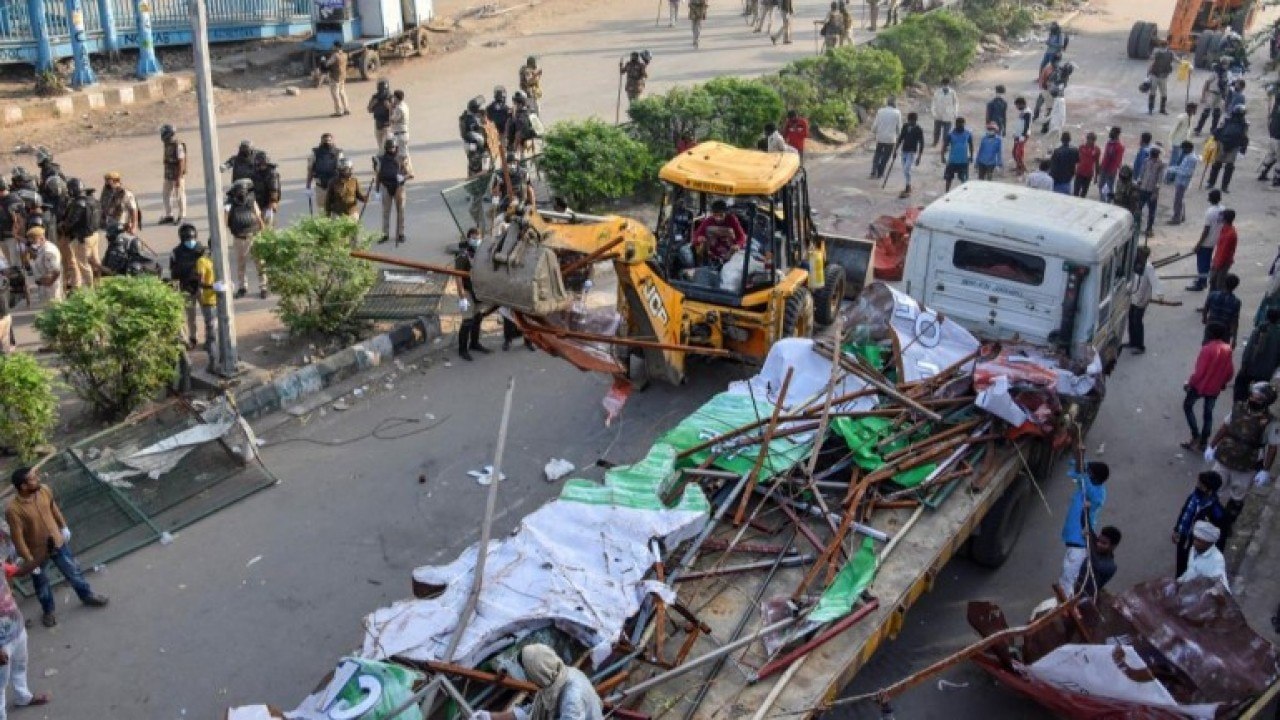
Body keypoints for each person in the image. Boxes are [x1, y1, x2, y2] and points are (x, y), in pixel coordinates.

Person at [6, 467, 108, 627]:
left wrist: (63, 526)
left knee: (73, 571)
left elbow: (54, 509)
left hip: (58, 543)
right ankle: (48, 611)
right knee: (42, 583)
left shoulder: (44, 490)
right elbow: (18, 538)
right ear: (23, 486)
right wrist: (30, 561)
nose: (38, 479)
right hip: (37, 554)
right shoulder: (14, 510)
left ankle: (87, 595)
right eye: (33, 478)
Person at [472, 644, 604, 720]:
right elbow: (532, 711)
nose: (528, 678)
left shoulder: (572, 695)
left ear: (536, 672)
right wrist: (490, 717)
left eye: (527, 672)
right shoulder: (554, 678)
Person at [0, 525, 51, 714]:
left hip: (16, 627)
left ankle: (23, 697)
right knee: (0, 685)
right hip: (1, 641)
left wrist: (43, 553)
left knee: (20, 666)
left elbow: (19, 571)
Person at [1205, 381, 1279, 510]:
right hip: (1225, 457)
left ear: (1266, 402)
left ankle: (1227, 519)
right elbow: (1225, 427)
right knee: (1214, 488)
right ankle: (1207, 515)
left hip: (1247, 465)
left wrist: (1265, 470)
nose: (1253, 399)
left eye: (1258, 398)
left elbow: (1272, 448)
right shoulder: (1238, 408)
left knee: (1237, 498)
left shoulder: (1270, 422)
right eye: (1253, 396)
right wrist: (1211, 446)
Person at [1058, 458, 1109, 596]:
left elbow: (1084, 479)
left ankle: (1066, 602)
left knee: (1068, 578)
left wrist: (1083, 472)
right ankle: (1064, 599)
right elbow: (1079, 466)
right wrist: (1080, 459)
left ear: (1095, 478)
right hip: (1074, 541)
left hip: (1079, 544)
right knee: (1066, 576)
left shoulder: (1096, 494)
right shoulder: (1086, 486)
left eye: (1089, 473)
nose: (1086, 474)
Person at [1182, 322, 1233, 449]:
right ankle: (1203, 442)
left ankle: (1195, 435)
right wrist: (1223, 383)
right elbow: (1230, 371)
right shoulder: (1227, 349)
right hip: (1214, 388)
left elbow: (1199, 372)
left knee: (1187, 406)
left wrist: (1189, 383)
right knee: (1208, 413)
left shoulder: (1207, 349)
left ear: (1210, 334)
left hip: (1200, 386)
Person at [171, 224, 218, 353]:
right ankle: (193, 338)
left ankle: (210, 339)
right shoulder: (176, 252)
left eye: (191, 238)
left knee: (209, 316)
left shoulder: (202, 250)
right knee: (190, 317)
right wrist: (175, 288)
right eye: (187, 239)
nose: (190, 241)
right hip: (186, 289)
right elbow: (174, 272)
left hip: (203, 289)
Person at [1172, 473, 1226, 575]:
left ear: (1209, 491)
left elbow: (1221, 536)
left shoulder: (1217, 512)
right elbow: (1184, 513)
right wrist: (1177, 530)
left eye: (1201, 485)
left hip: (1197, 546)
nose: (1197, 486)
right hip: (1183, 538)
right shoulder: (1193, 497)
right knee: (1180, 565)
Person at [224, 179, 267, 299]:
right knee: (241, 264)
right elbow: (225, 221)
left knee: (260, 263)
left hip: (254, 236)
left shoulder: (251, 201)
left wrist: (264, 232)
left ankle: (263, 286)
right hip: (239, 238)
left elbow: (258, 217)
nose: (241, 193)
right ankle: (242, 287)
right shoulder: (229, 204)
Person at [454, 229, 491, 361]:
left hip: (479, 291)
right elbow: (458, 276)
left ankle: (474, 343)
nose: (476, 240)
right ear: (469, 238)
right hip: (468, 291)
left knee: (478, 318)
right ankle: (462, 349)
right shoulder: (463, 255)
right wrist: (462, 297)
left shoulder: (482, 253)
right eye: (474, 238)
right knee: (467, 321)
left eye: (478, 238)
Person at [61, 177, 102, 290]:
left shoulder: (78, 204)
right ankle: (99, 284)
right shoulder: (93, 200)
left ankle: (90, 289)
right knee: (96, 261)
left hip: (83, 238)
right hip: (95, 234)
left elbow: (70, 222)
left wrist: (64, 227)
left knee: (83, 264)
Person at [373, 138, 413, 246]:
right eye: (389, 147)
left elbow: (410, 174)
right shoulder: (380, 160)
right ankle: (385, 234)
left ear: (396, 148)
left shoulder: (401, 158)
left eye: (393, 147)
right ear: (386, 148)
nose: (391, 149)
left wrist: (403, 177)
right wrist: (377, 191)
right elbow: (378, 176)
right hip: (386, 186)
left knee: (401, 211)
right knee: (386, 212)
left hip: (399, 188)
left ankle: (401, 233)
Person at [1235, 309, 1280, 403]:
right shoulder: (1277, 333)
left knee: (1240, 384)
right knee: (1261, 393)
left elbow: (1249, 349)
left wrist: (1244, 364)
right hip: (1266, 371)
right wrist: (1273, 368)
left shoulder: (1260, 329)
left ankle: (1239, 404)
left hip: (1251, 367)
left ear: (1267, 317)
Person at [1127, 246, 1162, 353]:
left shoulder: (1148, 267)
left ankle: (1140, 346)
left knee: (1137, 321)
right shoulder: (1136, 265)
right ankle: (1132, 341)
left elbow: (1155, 281)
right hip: (1134, 296)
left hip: (1142, 298)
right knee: (1131, 319)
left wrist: (1160, 294)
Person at [1207, 105, 1249, 192]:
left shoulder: (1226, 120)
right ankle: (1224, 187)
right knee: (1229, 167)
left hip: (1222, 144)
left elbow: (1217, 131)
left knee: (1217, 165)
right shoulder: (1244, 124)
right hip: (1233, 147)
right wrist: (1243, 150)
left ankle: (1211, 183)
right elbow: (1244, 138)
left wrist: (1213, 140)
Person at [1188, 190, 1224, 291]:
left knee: (1202, 263)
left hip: (1207, 241)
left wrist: (1198, 244)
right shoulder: (1223, 209)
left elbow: (1206, 230)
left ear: (1210, 199)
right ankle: (1203, 279)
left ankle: (1201, 282)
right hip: (1217, 239)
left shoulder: (1210, 212)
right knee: (1207, 261)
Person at [1177, 521, 1230, 591]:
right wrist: (1178, 582)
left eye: (1199, 541)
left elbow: (1220, 586)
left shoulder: (1217, 559)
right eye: (1194, 538)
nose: (1194, 542)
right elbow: (1190, 571)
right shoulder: (1193, 549)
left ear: (1209, 543)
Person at [692, 200, 746, 266]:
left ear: (726, 213)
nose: (718, 218)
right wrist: (699, 239)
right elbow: (695, 236)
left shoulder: (732, 220)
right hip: (712, 253)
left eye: (721, 215)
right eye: (715, 215)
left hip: (729, 252)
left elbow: (742, 237)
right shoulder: (708, 221)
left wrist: (738, 245)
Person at [1074, 526, 1121, 598]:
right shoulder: (1094, 549)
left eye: (1103, 543)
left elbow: (1095, 564)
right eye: (1098, 540)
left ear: (1113, 546)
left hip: (1082, 598)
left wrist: (1088, 541)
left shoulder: (1110, 566)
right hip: (1073, 590)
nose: (1098, 544)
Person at [306, 133, 346, 213]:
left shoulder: (338, 153)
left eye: (329, 140)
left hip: (335, 185)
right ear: (321, 141)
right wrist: (308, 186)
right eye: (325, 140)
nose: (327, 142)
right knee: (322, 210)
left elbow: (343, 170)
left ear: (332, 141)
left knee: (335, 209)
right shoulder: (315, 153)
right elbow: (310, 170)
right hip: (320, 186)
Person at [1202, 273, 1241, 350]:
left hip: (1211, 325)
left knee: (1206, 348)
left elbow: (1206, 308)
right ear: (1235, 287)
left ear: (1224, 283)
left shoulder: (1213, 295)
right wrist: (1234, 339)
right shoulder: (1236, 302)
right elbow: (1235, 321)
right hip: (1224, 329)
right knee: (1222, 350)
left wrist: (1204, 318)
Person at [24, 227, 62, 304]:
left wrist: (48, 282)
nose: (32, 243)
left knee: (53, 307)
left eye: (33, 240)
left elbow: (56, 271)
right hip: (44, 287)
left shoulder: (48, 250)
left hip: (51, 289)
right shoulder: (42, 248)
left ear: (41, 238)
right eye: (31, 241)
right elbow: (40, 260)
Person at [158, 124, 187, 225]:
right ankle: (169, 215)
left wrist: (178, 178)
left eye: (164, 133)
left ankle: (182, 215)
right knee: (166, 194)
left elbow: (181, 161)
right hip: (169, 174)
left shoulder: (178, 145)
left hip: (177, 173)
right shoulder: (167, 143)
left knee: (179, 195)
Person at [1136, 147, 1165, 238]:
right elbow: (1142, 173)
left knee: (1151, 212)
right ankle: (1137, 226)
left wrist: (1155, 192)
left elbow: (1159, 180)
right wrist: (1138, 184)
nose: (1152, 156)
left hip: (1151, 191)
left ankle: (1149, 229)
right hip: (1143, 188)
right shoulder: (1146, 161)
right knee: (1138, 208)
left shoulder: (1160, 164)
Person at [1167, 141, 1199, 225]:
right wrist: (1173, 168)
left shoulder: (1192, 159)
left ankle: (1176, 218)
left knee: (1178, 201)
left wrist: (1175, 170)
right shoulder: (1188, 156)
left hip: (1183, 182)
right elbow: (1182, 167)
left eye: (1184, 149)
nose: (1183, 150)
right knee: (1180, 199)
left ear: (1189, 148)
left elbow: (1188, 172)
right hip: (1180, 180)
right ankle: (1181, 216)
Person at [870, 98, 902, 179]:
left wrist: (873, 131)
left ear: (887, 103)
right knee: (886, 156)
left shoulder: (880, 111)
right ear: (894, 104)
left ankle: (873, 171)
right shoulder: (897, 112)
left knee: (877, 154)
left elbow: (875, 124)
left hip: (880, 137)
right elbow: (899, 128)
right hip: (890, 139)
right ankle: (880, 172)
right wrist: (899, 137)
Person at [1207, 211, 1237, 293]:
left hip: (1222, 263)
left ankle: (1218, 299)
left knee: (1219, 284)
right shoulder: (1225, 229)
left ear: (1225, 219)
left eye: (1221, 217)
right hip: (1218, 261)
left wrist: (1217, 265)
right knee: (1213, 282)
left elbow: (1224, 252)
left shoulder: (1230, 234)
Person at [940, 117, 972, 191]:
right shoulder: (950, 135)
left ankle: (965, 193)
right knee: (948, 179)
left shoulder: (968, 134)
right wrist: (942, 157)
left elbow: (971, 145)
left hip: (963, 161)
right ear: (956, 124)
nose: (960, 126)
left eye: (962, 124)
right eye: (959, 124)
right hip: (952, 161)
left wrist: (971, 156)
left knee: (964, 180)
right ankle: (947, 193)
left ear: (964, 124)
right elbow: (944, 146)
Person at [897, 112, 925, 198]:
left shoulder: (918, 129)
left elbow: (921, 143)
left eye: (912, 121)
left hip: (912, 152)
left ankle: (908, 186)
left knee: (906, 169)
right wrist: (895, 150)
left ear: (916, 120)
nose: (911, 122)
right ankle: (907, 185)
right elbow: (900, 138)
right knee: (904, 169)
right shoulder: (905, 126)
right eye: (909, 121)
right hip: (904, 151)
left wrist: (919, 157)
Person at [1167, 102, 1198, 179]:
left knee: (1180, 161)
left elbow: (1189, 131)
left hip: (1185, 143)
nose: (1195, 111)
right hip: (1177, 142)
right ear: (1189, 109)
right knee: (1174, 161)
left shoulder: (1191, 118)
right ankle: (1168, 177)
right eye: (1194, 109)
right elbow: (1173, 130)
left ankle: (1173, 177)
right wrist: (1170, 142)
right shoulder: (1181, 117)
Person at [251, 151, 281, 230]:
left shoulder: (271, 173)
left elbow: (274, 189)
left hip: (268, 205)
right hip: (258, 203)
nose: (260, 166)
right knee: (258, 226)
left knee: (267, 226)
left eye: (261, 164)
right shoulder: (256, 172)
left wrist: (273, 202)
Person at [1146, 39, 1176, 115]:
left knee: (1153, 92)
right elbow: (1177, 60)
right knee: (1163, 93)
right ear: (1167, 45)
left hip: (1155, 75)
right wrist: (1186, 64)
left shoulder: (1157, 52)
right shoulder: (1170, 53)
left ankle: (1151, 109)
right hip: (1162, 76)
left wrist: (1148, 74)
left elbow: (1151, 62)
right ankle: (1161, 109)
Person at [322, 41, 350, 117]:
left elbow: (327, 64)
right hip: (342, 76)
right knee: (342, 93)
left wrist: (323, 60)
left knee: (335, 94)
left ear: (336, 47)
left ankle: (339, 111)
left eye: (333, 46)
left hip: (335, 77)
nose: (332, 47)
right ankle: (346, 109)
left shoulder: (335, 56)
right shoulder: (345, 55)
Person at [930, 79, 958, 147]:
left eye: (947, 84)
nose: (945, 86)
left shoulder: (952, 93)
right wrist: (933, 112)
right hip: (938, 114)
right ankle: (935, 142)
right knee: (936, 131)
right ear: (942, 84)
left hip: (948, 115)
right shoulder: (937, 92)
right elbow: (933, 103)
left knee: (946, 132)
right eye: (944, 84)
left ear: (949, 84)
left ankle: (945, 145)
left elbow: (956, 103)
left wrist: (955, 112)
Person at [367, 79, 393, 151]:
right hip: (378, 123)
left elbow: (395, 111)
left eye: (383, 88)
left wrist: (388, 106)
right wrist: (373, 103)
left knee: (387, 145)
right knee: (380, 146)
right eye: (381, 88)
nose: (382, 91)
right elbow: (369, 110)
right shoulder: (375, 97)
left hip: (387, 124)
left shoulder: (390, 97)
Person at [1258, 100, 1280, 185]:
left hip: (1272, 135)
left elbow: (1270, 121)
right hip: (1278, 137)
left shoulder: (1276, 109)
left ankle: (1263, 173)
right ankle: (1277, 179)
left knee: (1271, 156)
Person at [1073, 131, 1100, 197]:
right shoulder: (1081, 147)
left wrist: (1096, 177)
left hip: (1088, 175)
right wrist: (1074, 170)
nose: (1090, 141)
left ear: (1094, 140)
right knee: (1075, 192)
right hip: (1079, 173)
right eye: (1089, 139)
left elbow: (1097, 163)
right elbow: (1076, 160)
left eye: (1092, 140)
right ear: (1087, 139)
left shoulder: (1097, 150)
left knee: (1084, 193)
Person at [1012, 97, 1032, 174]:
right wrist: (1015, 132)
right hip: (1018, 134)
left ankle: (1022, 168)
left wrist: (1023, 136)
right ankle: (1018, 166)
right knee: (1014, 152)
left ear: (1022, 104)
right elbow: (1019, 123)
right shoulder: (1022, 111)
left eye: (1017, 105)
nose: (1016, 107)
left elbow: (1026, 125)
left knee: (1018, 153)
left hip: (1023, 135)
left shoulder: (1027, 112)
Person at [390, 89, 411, 156]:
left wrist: (390, 109)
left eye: (394, 97)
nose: (393, 99)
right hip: (403, 133)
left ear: (396, 98)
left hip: (400, 135)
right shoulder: (405, 105)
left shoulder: (399, 108)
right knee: (405, 154)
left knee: (400, 156)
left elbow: (392, 120)